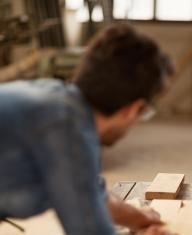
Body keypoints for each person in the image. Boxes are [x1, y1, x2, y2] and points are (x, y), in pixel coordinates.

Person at [0, 24, 173, 235]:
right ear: (134, 108)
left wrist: (140, 219)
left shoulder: (56, 99)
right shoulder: (66, 128)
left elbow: (90, 191)